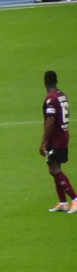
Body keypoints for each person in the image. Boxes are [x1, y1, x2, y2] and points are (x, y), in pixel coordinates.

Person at [41, 70, 76, 213]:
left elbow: (50, 119)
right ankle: (62, 203)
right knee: (57, 167)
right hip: (63, 134)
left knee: (53, 169)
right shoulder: (62, 95)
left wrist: (44, 141)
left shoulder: (50, 99)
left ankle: (74, 199)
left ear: (45, 82)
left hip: (55, 138)